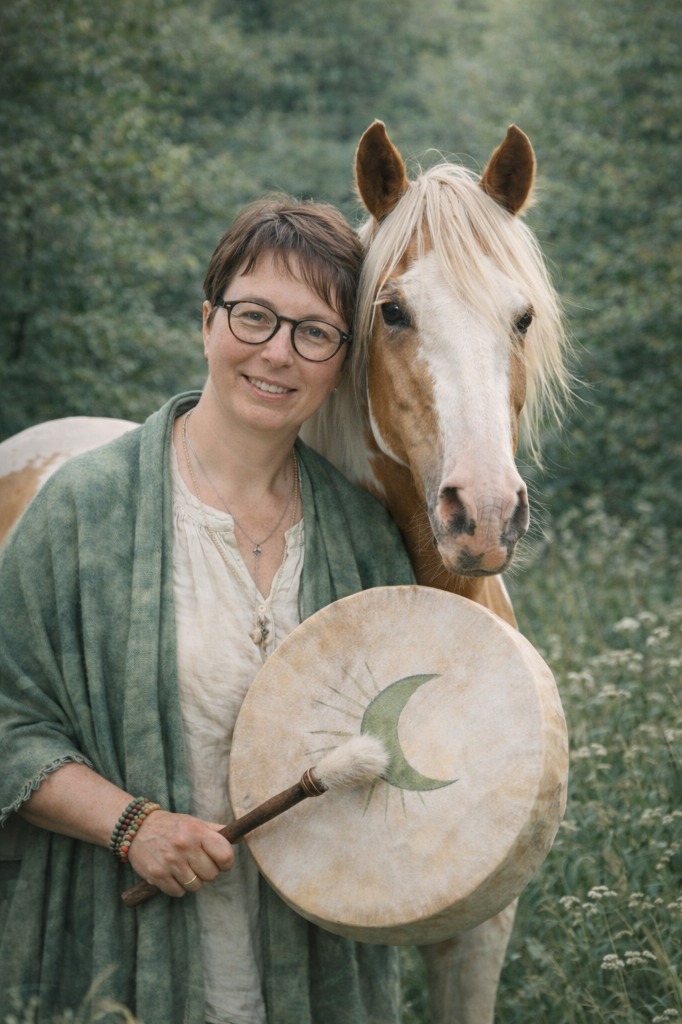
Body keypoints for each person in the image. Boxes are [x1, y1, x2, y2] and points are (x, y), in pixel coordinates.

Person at [0, 196, 415, 1024]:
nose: (277, 353)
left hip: (316, 974)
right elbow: (8, 721)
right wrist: (131, 826)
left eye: (314, 332)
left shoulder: (366, 539)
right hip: (125, 965)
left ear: (341, 360)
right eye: (254, 316)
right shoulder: (83, 507)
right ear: (208, 320)